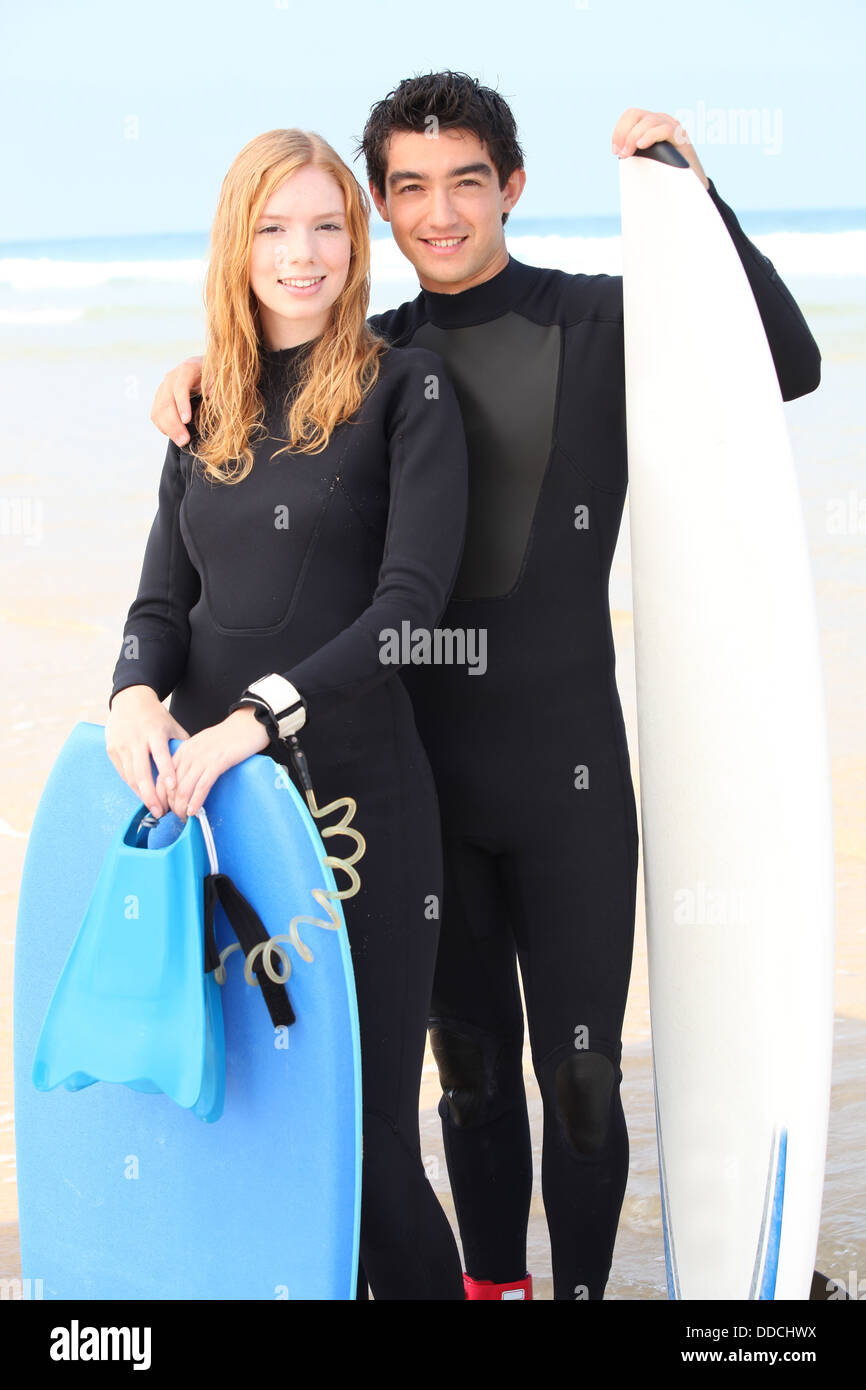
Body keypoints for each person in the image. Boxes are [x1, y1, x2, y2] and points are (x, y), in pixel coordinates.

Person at [149, 76, 822, 1301]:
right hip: (414, 783)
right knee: (460, 1069)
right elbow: (263, 440)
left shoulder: (597, 321)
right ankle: (488, 1289)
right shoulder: (376, 360)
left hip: (565, 768)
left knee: (578, 1076)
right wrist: (207, 365)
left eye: (466, 180)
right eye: (407, 187)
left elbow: (783, 362)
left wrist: (693, 190)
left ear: (510, 185)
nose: (439, 212)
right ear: (381, 210)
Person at [106, 127, 469, 1300]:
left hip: (356, 812)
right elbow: (163, 602)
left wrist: (253, 719)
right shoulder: (203, 401)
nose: (301, 254)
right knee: (239, 1129)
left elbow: (410, 605)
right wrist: (131, 694)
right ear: (236, 242)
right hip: (219, 822)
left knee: (360, 1146)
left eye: (325, 225)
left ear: (354, 240)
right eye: (272, 227)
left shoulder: (405, 389)